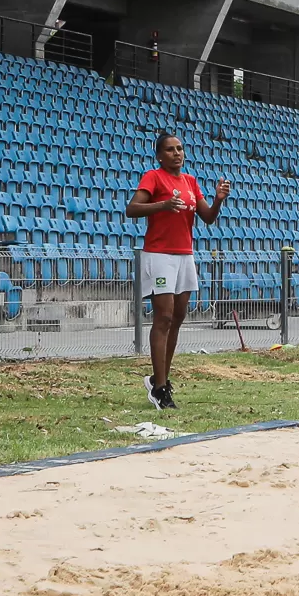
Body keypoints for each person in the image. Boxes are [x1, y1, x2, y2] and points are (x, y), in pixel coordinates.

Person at [124, 130, 229, 410]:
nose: (177, 153)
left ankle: (162, 378)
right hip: (159, 255)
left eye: (180, 148)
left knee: (179, 317)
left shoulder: (190, 181)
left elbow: (207, 217)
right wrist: (163, 205)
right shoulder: (153, 177)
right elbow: (132, 209)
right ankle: (159, 387)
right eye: (170, 149)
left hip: (185, 255)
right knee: (164, 317)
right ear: (160, 155)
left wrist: (218, 199)